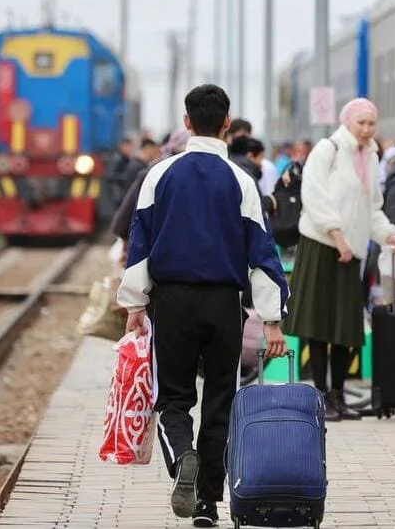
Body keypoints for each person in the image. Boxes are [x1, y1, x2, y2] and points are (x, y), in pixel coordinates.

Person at [117, 85, 289, 527]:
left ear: (186, 121)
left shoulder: (160, 174)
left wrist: (135, 303)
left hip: (171, 301)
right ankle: (208, 503)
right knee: (220, 400)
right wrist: (272, 320)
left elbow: (140, 244)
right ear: (227, 124)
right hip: (223, 303)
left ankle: (182, 459)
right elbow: (263, 256)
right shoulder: (241, 180)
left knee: (172, 399)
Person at [284, 98, 395, 421]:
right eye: (361, 123)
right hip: (322, 244)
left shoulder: (370, 155)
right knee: (319, 326)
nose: (367, 130)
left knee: (344, 327)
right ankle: (321, 397)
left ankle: (338, 396)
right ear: (347, 122)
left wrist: (387, 235)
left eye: (371, 123)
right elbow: (313, 196)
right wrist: (337, 236)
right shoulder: (328, 149)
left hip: (351, 250)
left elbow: (372, 207)